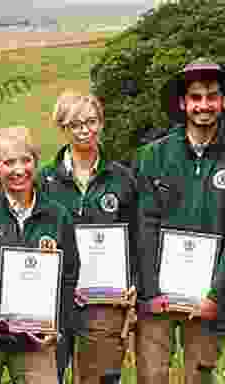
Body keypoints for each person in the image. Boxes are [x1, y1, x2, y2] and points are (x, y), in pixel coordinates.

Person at [132, 57, 225, 384]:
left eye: (212, 96)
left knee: (199, 379)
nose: (204, 105)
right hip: (157, 299)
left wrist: (216, 295)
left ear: (223, 101)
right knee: (152, 377)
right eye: (196, 97)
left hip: (207, 303)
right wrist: (149, 291)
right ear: (182, 103)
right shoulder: (153, 155)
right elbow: (144, 224)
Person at [0, 126, 81, 384]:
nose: (19, 170)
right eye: (9, 162)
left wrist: (57, 326)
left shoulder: (57, 216)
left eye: (26, 160)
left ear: (36, 163)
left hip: (36, 341)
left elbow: (70, 276)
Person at [37, 91, 137, 384]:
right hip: (55, 300)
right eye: (75, 124)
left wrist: (135, 284)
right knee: (44, 376)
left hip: (105, 302)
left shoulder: (122, 178)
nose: (84, 130)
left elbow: (136, 238)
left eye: (91, 122)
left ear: (101, 123)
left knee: (101, 379)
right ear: (63, 129)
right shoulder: (44, 181)